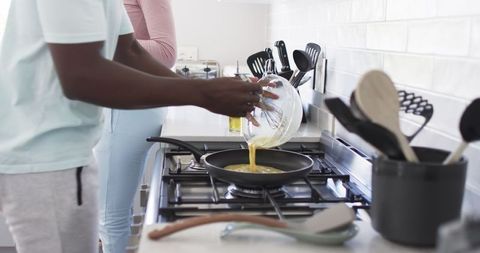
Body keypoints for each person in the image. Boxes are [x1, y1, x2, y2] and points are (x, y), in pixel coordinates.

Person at [0, 1, 274, 253]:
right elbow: (80, 75)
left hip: (67, 151)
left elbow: (128, 51)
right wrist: (202, 94)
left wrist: (206, 94)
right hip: (42, 156)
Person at [94, 0, 177, 252]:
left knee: (110, 216)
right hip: (119, 104)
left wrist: (95, 40)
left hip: (127, 108)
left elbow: (166, 52)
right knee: (112, 210)